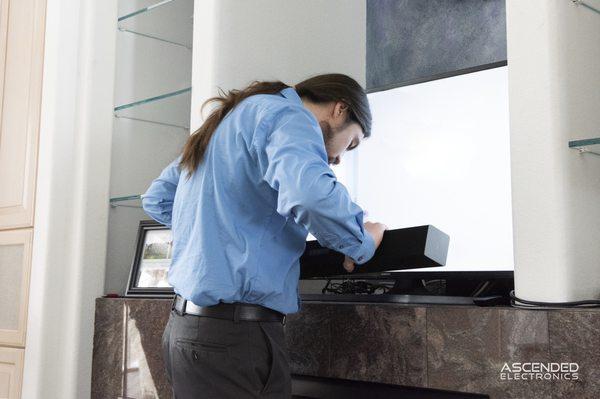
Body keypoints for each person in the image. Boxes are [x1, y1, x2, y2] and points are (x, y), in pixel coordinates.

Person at [141, 73, 387, 398]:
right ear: (340, 109)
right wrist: (361, 239)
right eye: (351, 142)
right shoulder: (289, 117)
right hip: (233, 336)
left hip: (186, 331)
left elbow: (158, 199)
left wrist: (219, 224)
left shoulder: (230, 121)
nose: (340, 157)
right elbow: (310, 195)